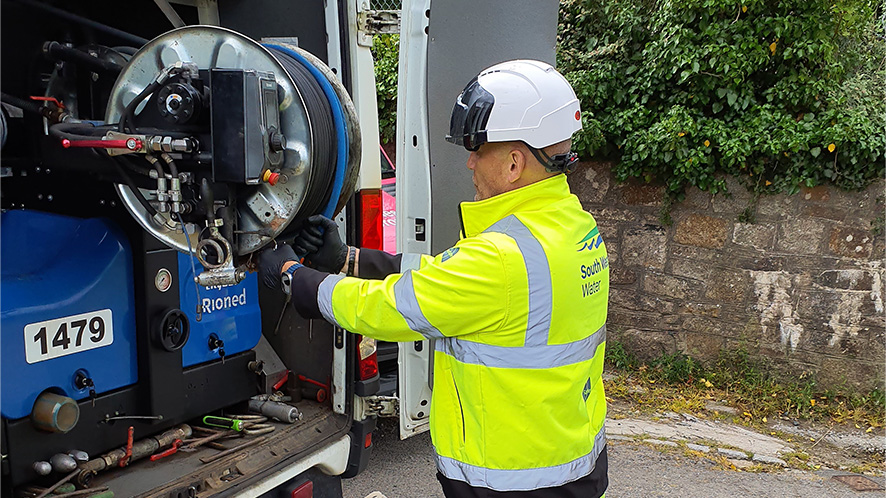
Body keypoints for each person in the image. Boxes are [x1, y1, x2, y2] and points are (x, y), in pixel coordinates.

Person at [260, 59, 610, 498]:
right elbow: (448, 282)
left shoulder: (501, 256)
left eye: (478, 150)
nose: (469, 163)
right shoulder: (573, 227)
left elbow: (391, 307)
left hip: (512, 482)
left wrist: (296, 278)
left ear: (515, 163)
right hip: (570, 466)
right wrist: (349, 258)